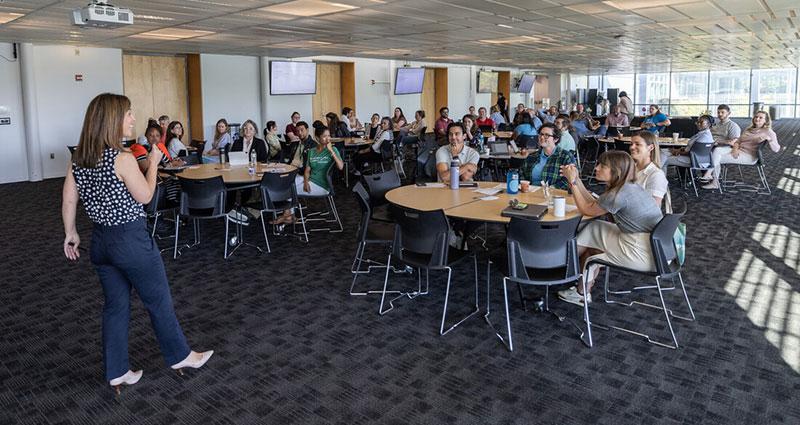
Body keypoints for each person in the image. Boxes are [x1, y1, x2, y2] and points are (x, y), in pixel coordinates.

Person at [62, 93, 212, 390]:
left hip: (101, 242)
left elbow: (69, 197)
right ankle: (181, 355)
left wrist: (71, 231)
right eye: (128, 114)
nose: (132, 119)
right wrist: (154, 162)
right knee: (158, 300)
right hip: (130, 240)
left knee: (115, 307)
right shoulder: (123, 158)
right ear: (112, 120)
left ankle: (117, 371)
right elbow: (144, 196)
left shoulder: (79, 158)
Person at [557, 151, 664, 305]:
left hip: (642, 252)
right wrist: (577, 180)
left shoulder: (617, 195)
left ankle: (579, 290)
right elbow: (593, 205)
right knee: (595, 227)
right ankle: (567, 261)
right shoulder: (629, 187)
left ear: (616, 171)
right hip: (655, 246)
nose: (596, 168)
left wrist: (572, 182)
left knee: (594, 254)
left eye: (603, 166)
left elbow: (587, 210)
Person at [273, 125, 345, 224]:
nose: (328, 138)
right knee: (287, 182)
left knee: (289, 189)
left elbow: (341, 167)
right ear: (317, 138)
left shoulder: (333, 150)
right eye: (324, 136)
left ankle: (288, 215)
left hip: (322, 186)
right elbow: (307, 170)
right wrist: (306, 182)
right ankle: (289, 215)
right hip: (310, 181)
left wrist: (331, 151)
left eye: (329, 136)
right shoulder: (311, 151)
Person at [702, 110, 780, 190]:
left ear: (765, 121)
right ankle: (709, 174)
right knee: (717, 150)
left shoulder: (768, 132)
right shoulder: (749, 129)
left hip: (749, 156)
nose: (757, 119)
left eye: (761, 118)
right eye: (756, 117)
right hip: (738, 150)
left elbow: (776, 149)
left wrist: (770, 140)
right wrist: (735, 149)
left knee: (717, 158)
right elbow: (738, 141)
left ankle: (714, 182)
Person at [520, 122, 576, 190]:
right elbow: (522, 173)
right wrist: (524, 185)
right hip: (530, 193)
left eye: (547, 135)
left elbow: (571, 179)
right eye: (541, 134)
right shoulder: (532, 156)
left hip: (555, 195)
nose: (542, 137)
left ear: (556, 139)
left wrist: (552, 188)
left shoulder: (565, 157)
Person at [629, 131, 668, 207]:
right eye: (631, 144)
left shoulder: (656, 175)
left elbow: (653, 209)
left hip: (637, 217)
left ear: (650, 147)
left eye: (637, 144)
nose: (632, 147)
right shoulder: (629, 167)